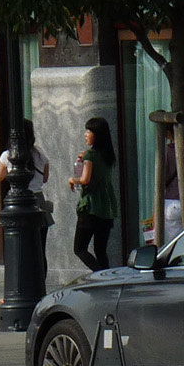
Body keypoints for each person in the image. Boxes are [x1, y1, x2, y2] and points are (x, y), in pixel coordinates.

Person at [0, 118, 51, 277]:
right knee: (40, 248)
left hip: (18, 201)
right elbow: (45, 178)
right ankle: (40, 283)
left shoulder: (8, 155)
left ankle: (22, 282)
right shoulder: (40, 153)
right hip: (39, 200)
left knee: (20, 248)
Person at [68, 116, 118, 272]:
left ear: (97, 134)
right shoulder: (108, 155)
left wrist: (72, 179)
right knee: (100, 249)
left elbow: (85, 179)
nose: (86, 134)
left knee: (79, 248)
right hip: (107, 207)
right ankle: (107, 278)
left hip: (91, 207)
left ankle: (99, 275)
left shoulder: (91, 155)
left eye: (89, 131)